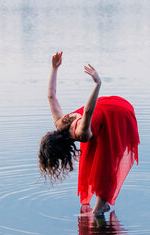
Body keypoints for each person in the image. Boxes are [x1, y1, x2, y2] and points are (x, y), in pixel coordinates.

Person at [38, 51, 140, 215]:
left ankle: (98, 210)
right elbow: (51, 96)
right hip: (103, 110)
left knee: (105, 163)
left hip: (117, 114)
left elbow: (88, 111)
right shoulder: (59, 122)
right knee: (92, 159)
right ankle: (102, 205)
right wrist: (54, 68)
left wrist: (97, 84)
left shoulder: (81, 134)